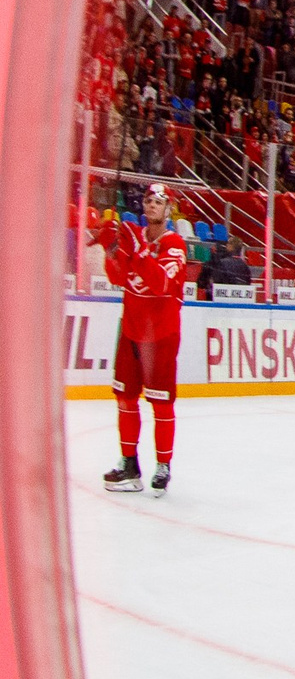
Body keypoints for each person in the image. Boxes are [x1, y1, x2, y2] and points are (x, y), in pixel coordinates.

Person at [100, 184, 188, 496]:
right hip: (131, 330)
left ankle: (163, 465)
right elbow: (117, 277)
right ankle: (129, 464)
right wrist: (110, 250)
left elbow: (162, 282)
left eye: (159, 202)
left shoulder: (175, 243)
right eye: (148, 200)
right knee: (125, 397)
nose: (151, 205)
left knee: (161, 402)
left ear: (169, 210)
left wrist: (137, 252)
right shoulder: (135, 237)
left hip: (160, 334)